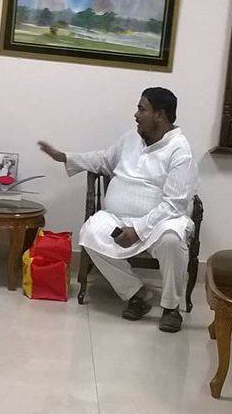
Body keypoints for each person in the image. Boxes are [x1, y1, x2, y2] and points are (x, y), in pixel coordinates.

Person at [38, 87, 199, 333]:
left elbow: (174, 204)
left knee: (171, 241)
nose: (136, 115)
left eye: (142, 109)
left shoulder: (180, 149)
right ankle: (137, 293)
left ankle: (171, 308)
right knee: (90, 233)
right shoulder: (131, 138)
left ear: (160, 115)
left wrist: (138, 229)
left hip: (161, 221)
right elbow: (104, 160)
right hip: (118, 218)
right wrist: (65, 157)